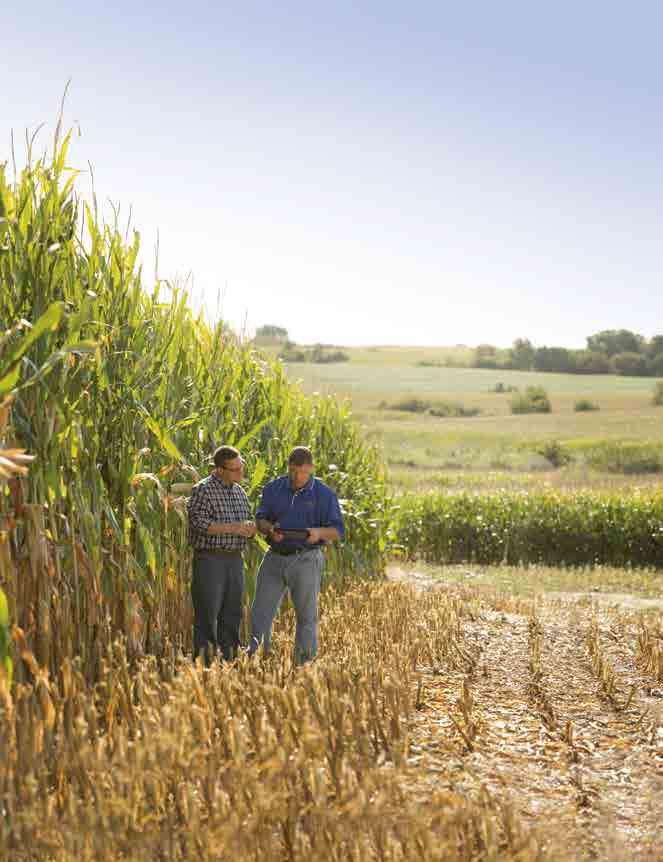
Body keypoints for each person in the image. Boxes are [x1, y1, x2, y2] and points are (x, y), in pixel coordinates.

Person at [249, 446, 344, 665]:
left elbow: (337, 531)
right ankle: (256, 663)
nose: (295, 476)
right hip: (274, 557)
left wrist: (318, 533)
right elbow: (260, 519)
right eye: (292, 470)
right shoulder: (273, 488)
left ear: (310, 468)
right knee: (260, 613)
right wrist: (270, 529)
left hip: (306, 558)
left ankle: (303, 665)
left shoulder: (324, 494)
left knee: (306, 617)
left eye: (300, 471)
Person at [187, 445, 256, 663]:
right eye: (235, 469)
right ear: (219, 470)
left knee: (233, 613)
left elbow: (244, 522)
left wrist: (249, 530)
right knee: (208, 614)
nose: (240, 472)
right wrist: (234, 527)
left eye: (241, 467)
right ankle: (204, 665)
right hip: (210, 559)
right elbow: (199, 524)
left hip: (235, 559)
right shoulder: (203, 490)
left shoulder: (239, 492)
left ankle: (230, 661)